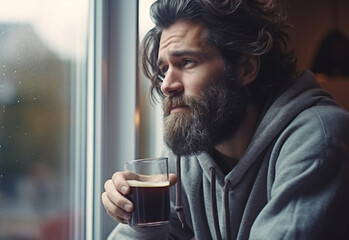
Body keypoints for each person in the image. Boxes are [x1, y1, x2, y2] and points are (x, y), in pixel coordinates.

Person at [102, 0, 349, 239]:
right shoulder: (191, 145)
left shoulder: (319, 137)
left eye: (186, 62)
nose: (166, 85)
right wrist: (140, 222)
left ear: (245, 69)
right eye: (165, 68)